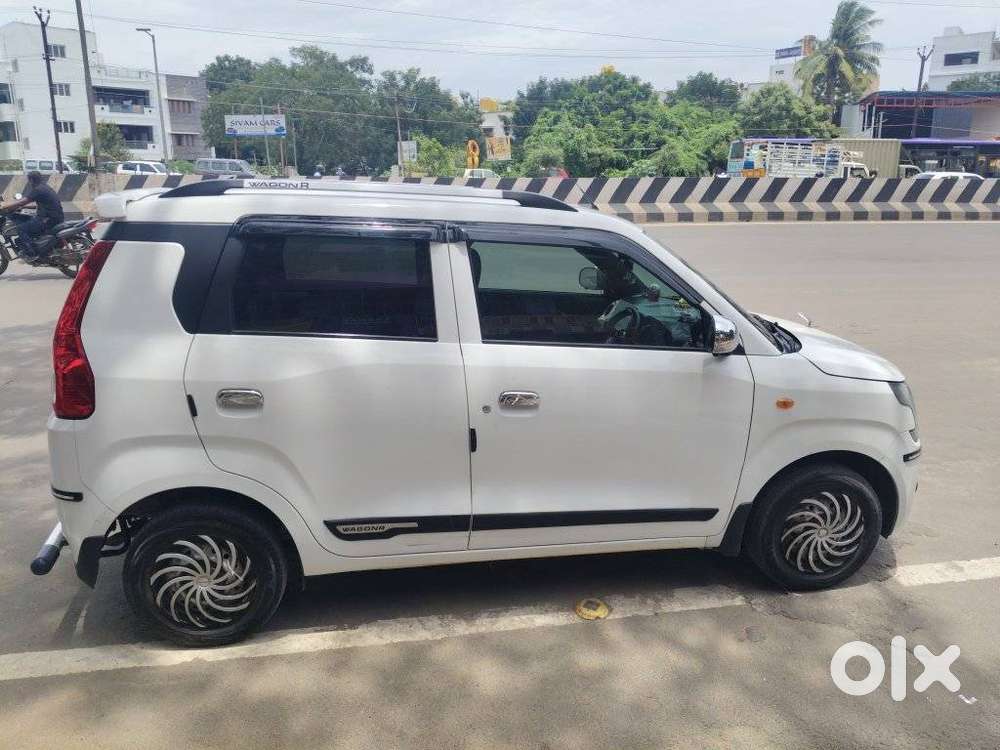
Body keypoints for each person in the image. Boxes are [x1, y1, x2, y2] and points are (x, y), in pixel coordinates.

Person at [1, 171, 64, 259]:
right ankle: (40, 247)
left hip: (48, 219)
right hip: (55, 217)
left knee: (21, 229)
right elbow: (37, 204)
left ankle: (32, 253)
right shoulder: (45, 187)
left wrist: (4, 207)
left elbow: (23, 201)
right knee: (30, 225)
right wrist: (22, 207)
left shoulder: (38, 189)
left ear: (31, 180)